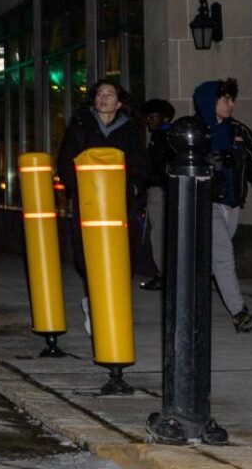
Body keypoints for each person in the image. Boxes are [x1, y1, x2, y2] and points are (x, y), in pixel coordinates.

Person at [181, 79, 252, 332]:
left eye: (232, 99)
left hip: (232, 204)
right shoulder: (194, 132)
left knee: (212, 258)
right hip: (206, 203)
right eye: (226, 99)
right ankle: (239, 312)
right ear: (211, 101)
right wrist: (205, 163)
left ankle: (193, 301)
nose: (231, 104)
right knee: (223, 257)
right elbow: (176, 164)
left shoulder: (239, 132)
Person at [55, 77, 144, 335]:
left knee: (123, 255)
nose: (103, 98)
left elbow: (139, 165)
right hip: (89, 203)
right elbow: (65, 163)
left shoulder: (129, 130)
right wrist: (78, 188)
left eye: (109, 94)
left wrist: (134, 188)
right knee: (88, 256)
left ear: (119, 102)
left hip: (119, 205)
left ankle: (109, 305)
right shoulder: (81, 126)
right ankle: (94, 303)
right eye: (99, 94)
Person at [137, 98, 175, 291]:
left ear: (164, 118)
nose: (149, 120)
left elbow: (156, 166)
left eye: (153, 117)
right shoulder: (160, 137)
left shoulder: (163, 137)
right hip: (160, 189)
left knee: (158, 233)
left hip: (160, 189)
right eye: (147, 117)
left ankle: (164, 274)